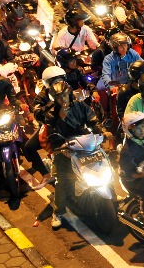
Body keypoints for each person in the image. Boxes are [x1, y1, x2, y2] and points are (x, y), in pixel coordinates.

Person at [36, 80, 100, 228]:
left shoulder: (80, 105)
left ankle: (110, 195)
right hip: (64, 148)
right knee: (63, 180)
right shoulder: (51, 113)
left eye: (64, 95)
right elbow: (51, 135)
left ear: (69, 94)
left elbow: (92, 120)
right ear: (54, 99)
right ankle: (58, 211)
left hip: (84, 143)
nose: (62, 99)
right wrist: (60, 147)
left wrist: (101, 130)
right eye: (58, 97)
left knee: (100, 165)